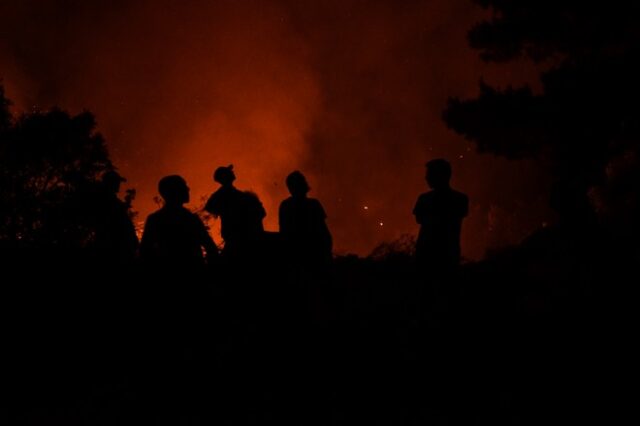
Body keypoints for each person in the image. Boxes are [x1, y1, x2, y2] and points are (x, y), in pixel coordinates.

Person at [140, 175, 218, 266]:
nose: (188, 189)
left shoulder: (155, 219)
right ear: (174, 191)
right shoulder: (190, 219)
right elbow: (210, 247)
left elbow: (145, 252)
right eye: (184, 186)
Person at [413, 159, 468, 275]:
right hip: (448, 255)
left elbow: (419, 218)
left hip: (427, 256)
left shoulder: (425, 199)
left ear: (440, 175)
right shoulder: (460, 199)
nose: (426, 178)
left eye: (429, 174)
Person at [204, 165, 266, 261]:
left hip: (237, 238)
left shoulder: (233, 195)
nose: (233, 172)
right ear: (225, 177)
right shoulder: (230, 195)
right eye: (229, 172)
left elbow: (210, 207)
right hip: (238, 240)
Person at [279, 171, 332, 271]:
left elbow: (283, 234)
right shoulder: (313, 205)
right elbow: (324, 233)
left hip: (295, 259)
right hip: (314, 258)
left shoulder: (285, 206)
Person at [91, 170, 138, 263]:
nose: (118, 185)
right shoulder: (107, 200)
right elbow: (116, 220)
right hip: (115, 247)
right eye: (117, 182)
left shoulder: (105, 199)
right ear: (111, 183)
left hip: (112, 245)